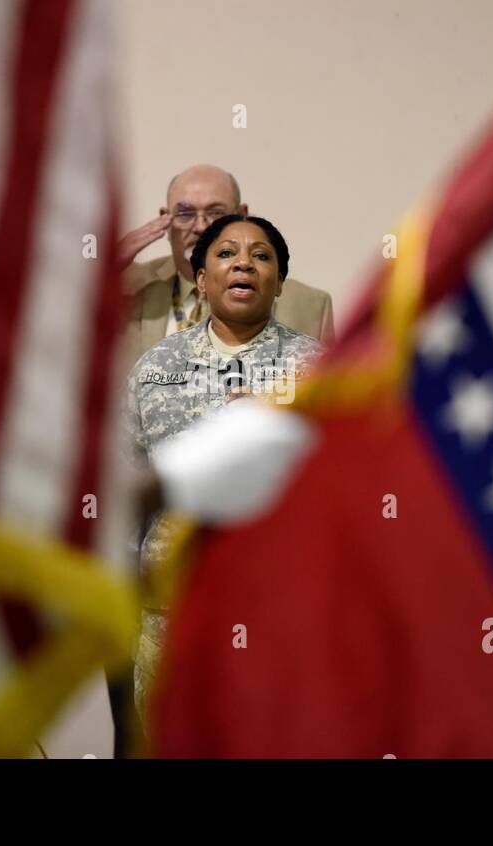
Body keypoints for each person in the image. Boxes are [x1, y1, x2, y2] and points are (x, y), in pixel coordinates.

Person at [126, 214, 323, 713]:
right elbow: (125, 489)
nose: (244, 264)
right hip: (171, 614)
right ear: (200, 277)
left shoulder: (319, 372)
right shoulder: (155, 368)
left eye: (261, 257)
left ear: (278, 283)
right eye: (227, 253)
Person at [119, 164, 334, 360]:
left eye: (216, 213)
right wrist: (103, 268)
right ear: (166, 218)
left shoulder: (309, 306)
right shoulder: (125, 287)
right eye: (185, 213)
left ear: (242, 215)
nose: (200, 227)